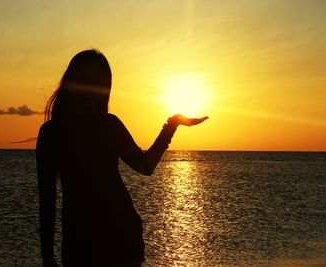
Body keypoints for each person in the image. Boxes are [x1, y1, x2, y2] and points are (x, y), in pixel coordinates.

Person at [36, 49, 208, 267]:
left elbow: (145, 166)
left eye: (98, 84)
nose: (90, 90)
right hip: (79, 243)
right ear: (70, 82)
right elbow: (47, 197)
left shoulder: (109, 125)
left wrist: (171, 125)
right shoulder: (52, 133)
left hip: (122, 237)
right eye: (84, 80)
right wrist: (47, 256)